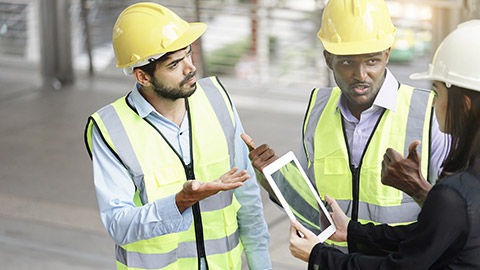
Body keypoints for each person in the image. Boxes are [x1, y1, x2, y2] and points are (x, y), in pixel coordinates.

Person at [243, 0, 448, 252]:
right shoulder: (317, 111)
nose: (361, 75)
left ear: (387, 54)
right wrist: (276, 184)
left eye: (372, 61)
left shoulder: (428, 114)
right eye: (347, 62)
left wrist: (417, 188)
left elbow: (455, 217)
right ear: (328, 59)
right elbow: (311, 206)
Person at [83, 3, 271, 270]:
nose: (190, 68)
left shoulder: (217, 99)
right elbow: (119, 224)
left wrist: (260, 264)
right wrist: (179, 202)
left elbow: (248, 196)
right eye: (174, 64)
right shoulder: (110, 129)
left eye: (188, 54)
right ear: (143, 76)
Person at [289, 19, 480, 269]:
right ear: (329, 59)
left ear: (464, 105)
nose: (434, 102)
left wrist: (317, 255)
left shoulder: (454, 193)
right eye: (347, 61)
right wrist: (354, 232)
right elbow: (434, 232)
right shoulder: (466, 185)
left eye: (437, 90)